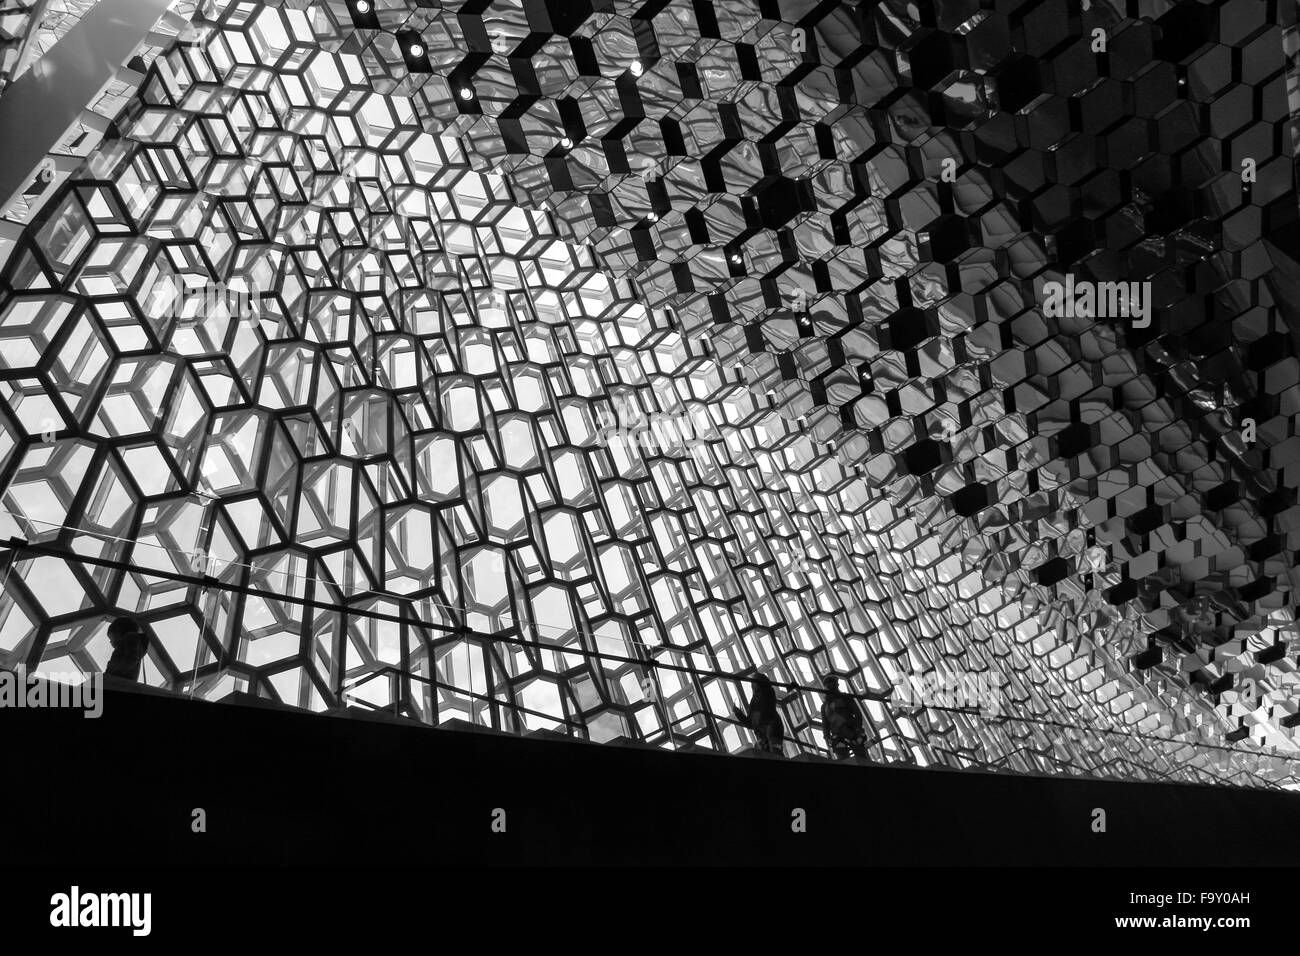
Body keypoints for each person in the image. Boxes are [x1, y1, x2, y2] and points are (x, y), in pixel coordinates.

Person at [733, 674, 784, 755]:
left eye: (754, 682)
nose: (752, 685)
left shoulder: (766, 693)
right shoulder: (756, 699)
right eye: (752, 683)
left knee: (773, 752)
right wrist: (738, 713)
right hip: (766, 730)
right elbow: (751, 723)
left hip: (769, 728)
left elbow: (752, 722)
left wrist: (739, 714)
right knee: (771, 752)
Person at [821, 675, 868, 759]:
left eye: (833, 683)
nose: (831, 686)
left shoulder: (845, 698)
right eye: (828, 684)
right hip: (837, 734)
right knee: (843, 758)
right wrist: (827, 736)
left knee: (860, 756)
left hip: (850, 729)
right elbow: (825, 724)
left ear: (837, 685)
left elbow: (857, 713)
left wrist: (858, 727)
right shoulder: (824, 706)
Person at [105, 617, 151, 682]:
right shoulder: (132, 642)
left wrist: (111, 675)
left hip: (116, 682)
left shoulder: (131, 637)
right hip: (120, 683)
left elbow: (131, 659)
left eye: (110, 638)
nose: (110, 642)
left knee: (89, 687)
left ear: (117, 630)